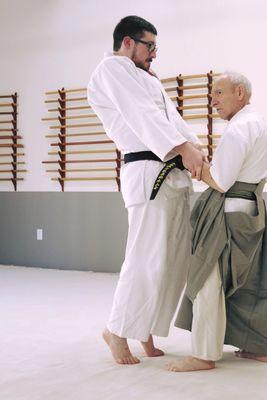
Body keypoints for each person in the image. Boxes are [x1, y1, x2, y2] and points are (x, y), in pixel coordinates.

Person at [87, 15, 204, 365]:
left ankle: (144, 329)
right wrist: (184, 149)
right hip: (147, 170)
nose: (154, 53)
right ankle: (116, 330)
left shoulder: (146, 77)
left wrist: (195, 147)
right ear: (127, 42)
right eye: (149, 45)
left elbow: (171, 119)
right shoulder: (111, 71)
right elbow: (142, 116)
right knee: (145, 258)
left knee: (170, 260)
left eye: (155, 47)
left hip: (171, 171)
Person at [167, 71, 267, 372]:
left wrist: (197, 165)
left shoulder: (239, 128)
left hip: (227, 211)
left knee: (207, 277)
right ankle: (259, 347)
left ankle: (203, 354)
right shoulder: (258, 123)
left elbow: (220, 179)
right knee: (252, 281)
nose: (212, 100)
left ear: (239, 92)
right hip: (251, 209)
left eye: (218, 93)